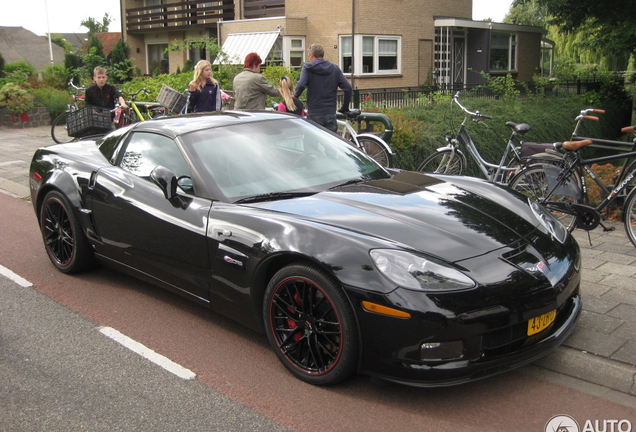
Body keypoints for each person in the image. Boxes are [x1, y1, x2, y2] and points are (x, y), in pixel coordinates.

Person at [294, 43, 352, 132]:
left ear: (311, 55)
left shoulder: (308, 68)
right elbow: (348, 88)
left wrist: (295, 96)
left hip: (314, 112)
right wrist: (345, 107)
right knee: (330, 143)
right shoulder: (334, 68)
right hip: (330, 112)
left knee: (313, 143)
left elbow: (301, 84)